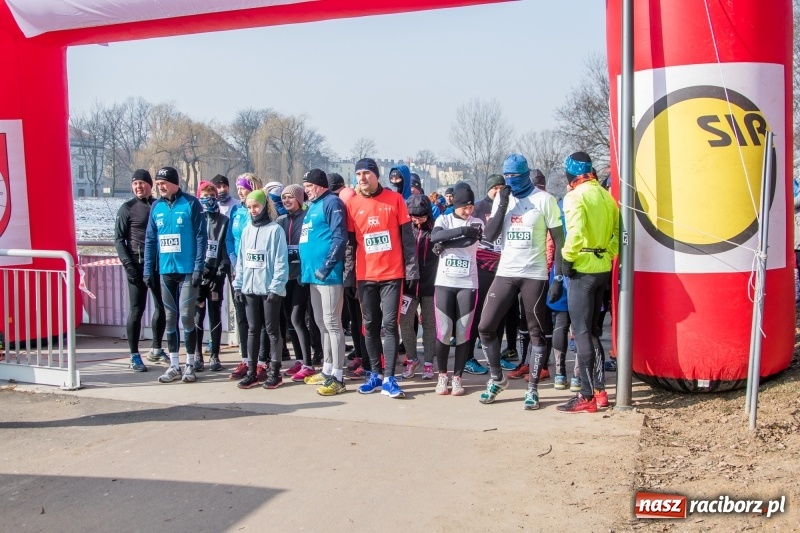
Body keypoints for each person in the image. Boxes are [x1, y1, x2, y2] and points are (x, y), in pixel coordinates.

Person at [477, 154, 565, 410]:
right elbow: (489, 235)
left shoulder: (544, 200)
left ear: (526, 174)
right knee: (485, 326)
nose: (511, 180)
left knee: (536, 333)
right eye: (507, 176)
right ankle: (497, 379)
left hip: (534, 274)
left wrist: (558, 276)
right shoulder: (502, 198)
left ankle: (533, 389)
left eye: (515, 175)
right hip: (506, 272)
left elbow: (559, 240)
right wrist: (503, 203)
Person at [346, 158, 418, 398]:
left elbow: (408, 240)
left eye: (367, 173)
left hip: (392, 275)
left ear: (377, 175)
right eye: (358, 174)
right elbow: (350, 246)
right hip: (365, 276)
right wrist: (349, 276)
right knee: (370, 326)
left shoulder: (395, 200)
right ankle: (375, 374)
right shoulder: (352, 204)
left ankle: (389, 377)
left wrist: (412, 270)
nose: (362, 178)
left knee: (389, 325)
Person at [557, 152, 619, 413]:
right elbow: (617, 233)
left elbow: (576, 232)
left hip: (582, 268)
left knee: (581, 332)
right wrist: (608, 253)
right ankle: (600, 391)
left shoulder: (575, 196)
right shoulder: (606, 196)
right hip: (602, 267)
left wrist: (567, 258)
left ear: (571, 175)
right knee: (593, 331)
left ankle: (586, 396)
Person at [143, 166, 207, 384]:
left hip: (187, 269)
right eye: (158, 183)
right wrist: (148, 269)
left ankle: (190, 364)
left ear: (174, 183)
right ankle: (174, 365)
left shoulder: (191, 203)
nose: (160, 187)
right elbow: (150, 240)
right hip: (166, 271)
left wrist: (198, 267)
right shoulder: (156, 207)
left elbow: (201, 236)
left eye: (163, 183)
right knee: (170, 318)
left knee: (187, 316)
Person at [298, 169, 348, 396]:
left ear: (320, 184)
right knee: (320, 322)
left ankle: (338, 376)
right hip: (311, 275)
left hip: (328, 275)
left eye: (309, 186)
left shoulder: (332, 203)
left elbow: (339, 237)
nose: (306, 190)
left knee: (332, 322)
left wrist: (327, 266)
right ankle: (327, 369)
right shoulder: (312, 206)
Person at [429, 182, 483, 396]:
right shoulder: (443, 219)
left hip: (467, 284)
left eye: (471, 207)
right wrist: (460, 231)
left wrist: (446, 243)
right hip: (444, 282)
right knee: (444, 332)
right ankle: (442, 375)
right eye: (464, 207)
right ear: (455, 205)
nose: (468, 211)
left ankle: (457, 378)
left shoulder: (477, 222)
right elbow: (435, 237)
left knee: (462, 332)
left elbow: (469, 240)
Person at [233, 190, 289, 389]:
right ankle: (252, 371)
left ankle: (274, 371)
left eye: (256, 206)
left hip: (269, 289)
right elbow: (242, 260)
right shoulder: (247, 229)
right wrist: (238, 285)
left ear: (265, 206)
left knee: (272, 330)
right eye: (249, 207)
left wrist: (276, 287)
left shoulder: (275, 230)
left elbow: (281, 260)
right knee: (252, 330)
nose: (253, 210)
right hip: (249, 288)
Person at [114, 169, 166, 372]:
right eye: (135, 183)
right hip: (136, 265)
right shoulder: (127, 208)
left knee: (161, 307)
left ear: (150, 185)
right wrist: (128, 265)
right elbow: (119, 240)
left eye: (142, 183)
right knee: (137, 309)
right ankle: (134, 355)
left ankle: (156, 349)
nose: (138, 187)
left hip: (158, 265)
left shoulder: (159, 205)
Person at [227, 173, 266, 380]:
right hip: (239, 270)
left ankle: (262, 361)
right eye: (238, 187)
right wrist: (235, 262)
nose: (240, 191)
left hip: (258, 271)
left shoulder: (262, 210)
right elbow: (229, 240)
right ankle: (246, 359)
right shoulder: (236, 211)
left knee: (259, 320)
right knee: (241, 316)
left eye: (243, 187)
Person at [276, 183, 315, 382]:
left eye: (290, 197)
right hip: (286, 277)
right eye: (284, 197)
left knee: (297, 318)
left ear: (299, 199)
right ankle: (299, 360)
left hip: (301, 276)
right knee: (289, 319)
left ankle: (308, 364)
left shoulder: (307, 218)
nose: (286, 200)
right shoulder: (280, 221)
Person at [192, 181, 231, 372]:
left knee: (215, 314)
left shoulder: (224, 221)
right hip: (198, 276)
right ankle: (197, 355)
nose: (209, 200)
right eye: (205, 196)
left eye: (212, 196)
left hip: (216, 277)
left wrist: (221, 272)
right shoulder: (195, 219)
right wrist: (197, 271)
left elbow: (225, 248)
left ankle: (215, 354)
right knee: (197, 315)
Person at [400, 193, 438, 381]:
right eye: (413, 216)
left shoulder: (436, 229)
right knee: (405, 321)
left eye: (421, 216)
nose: (417, 220)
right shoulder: (405, 229)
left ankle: (429, 363)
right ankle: (412, 359)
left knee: (429, 324)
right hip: (409, 285)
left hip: (430, 285)